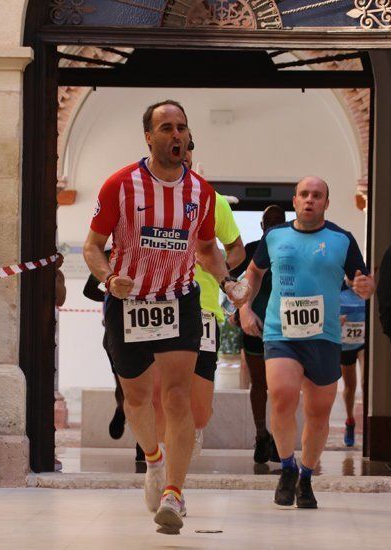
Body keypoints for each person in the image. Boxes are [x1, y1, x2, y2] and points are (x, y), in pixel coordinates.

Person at [82, 100, 246, 535]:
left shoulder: (202, 193)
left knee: (176, 397)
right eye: (167, 128)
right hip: (130, 303)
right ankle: (153, 461)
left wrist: (228, 284)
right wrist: (107, 277)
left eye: (182, 128)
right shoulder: (120, 185)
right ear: (149, 138)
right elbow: (92, 247)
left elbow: (208, 248)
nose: (176, 135)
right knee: (137, 399)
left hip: (179, 300)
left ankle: (174, 493)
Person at [241, 176, 375, 509]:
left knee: (318, 412)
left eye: (317, 195)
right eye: (304, 194)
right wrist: (244, 308)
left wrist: (365, 287)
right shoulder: (275, 237)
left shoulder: (342, 240)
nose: (309, 200)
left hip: (325, 336)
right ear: (295, 200)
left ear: (326, 203)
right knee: (283, 397)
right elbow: (254, 273)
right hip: (280, 332)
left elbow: (360, 279)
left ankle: (306, 477)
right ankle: (286, 467)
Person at [150, 138, 245, 456]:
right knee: (160, 394)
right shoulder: (144, 196)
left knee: (199, 411)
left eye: (188, 147)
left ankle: (190, 433)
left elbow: (237, 250)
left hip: (202, 309)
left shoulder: (211, 199)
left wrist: (215, 267)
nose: (183, 154)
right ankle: (163, 470)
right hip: (156, 305)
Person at [233, 205, 285, 464]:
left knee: (280, 385)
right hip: (254, 325)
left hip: (284, 327)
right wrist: (239, 309)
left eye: (279, 221)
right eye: (269, 221)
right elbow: (229, 277)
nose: (274, 225)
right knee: (259, 383)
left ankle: (277, 437)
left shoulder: (290, 247)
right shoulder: (252, 250)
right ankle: (261, 433)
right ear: (262, 226)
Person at [83, 260, 146, 462]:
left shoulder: (153, 256)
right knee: (125, 386)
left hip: (150, 329)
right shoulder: (108, 258)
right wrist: (113, 295)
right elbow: (88, 290)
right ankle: (121, 408)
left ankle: (143, 444)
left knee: (149, 389)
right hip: (117, 332)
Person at [338, 282, 366, 447]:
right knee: (350, 387)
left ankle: (368, 423)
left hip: (363, 344)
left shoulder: (366, 290)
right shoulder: (338, 291)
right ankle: (350, 420)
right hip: (346, 345)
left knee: (365, 381)